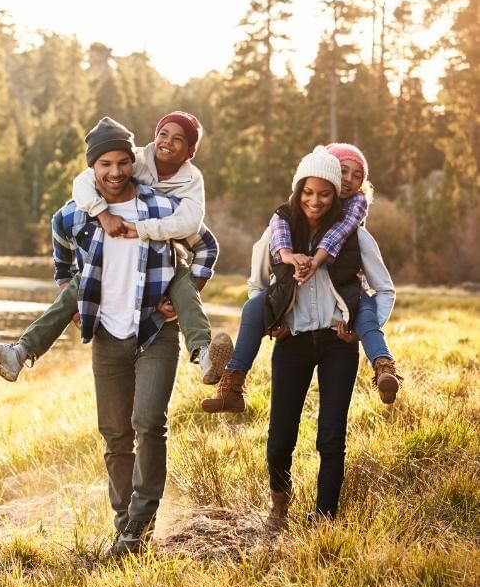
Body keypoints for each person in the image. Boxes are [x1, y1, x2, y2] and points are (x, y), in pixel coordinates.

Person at [43, 118, 217, 557]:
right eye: (105, 164)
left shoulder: (160, 207)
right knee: (115, 434)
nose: (116, 172)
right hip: (106, 333)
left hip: (155, 330)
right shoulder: (79, 211)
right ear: (93, 169)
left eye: (123, 162)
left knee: (148, 423)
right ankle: (125, 527)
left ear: (131, 163)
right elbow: (59, 237)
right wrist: (70, 291)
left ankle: (140, 524)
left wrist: (186, 290)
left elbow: (206, 244)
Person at [0, 112, 231, 386]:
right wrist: (102, 214)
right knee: (78, 285)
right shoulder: (134, 160)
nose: (116, 171)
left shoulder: (191, 182)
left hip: (166, 257)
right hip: (110, 260)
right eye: (163, 134)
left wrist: (185, 292)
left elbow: (195, 227)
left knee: (183, 284)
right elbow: (83, 182)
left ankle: (204, 354)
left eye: (179, 139)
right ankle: (19, 353)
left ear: (191, 151)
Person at [246, 148, 396, 529]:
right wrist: (271, 322)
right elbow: (256, 285)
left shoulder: (356, 237)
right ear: (299, 191)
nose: (316, 200)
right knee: (281, 433)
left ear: (335, 194)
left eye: (326, 192)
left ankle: (325, 515)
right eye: (309, 192)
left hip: (337, 344)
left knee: (331, 435)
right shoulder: (278, 232)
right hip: (292, 342)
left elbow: (385, 290)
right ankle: (279, 505)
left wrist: (361, 328)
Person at [201, 143, 403, 414]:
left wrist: (316, 262)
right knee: (253, 308)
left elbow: (342, 239)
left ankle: (384, 366)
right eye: (343, 172)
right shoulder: (284, 218)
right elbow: (261, 274)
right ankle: (233, 382)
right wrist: (275, 318)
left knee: (365, 312)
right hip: (293, 321)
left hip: (345, 301)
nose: (349, 181)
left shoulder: (354, 219)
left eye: (357, 176)